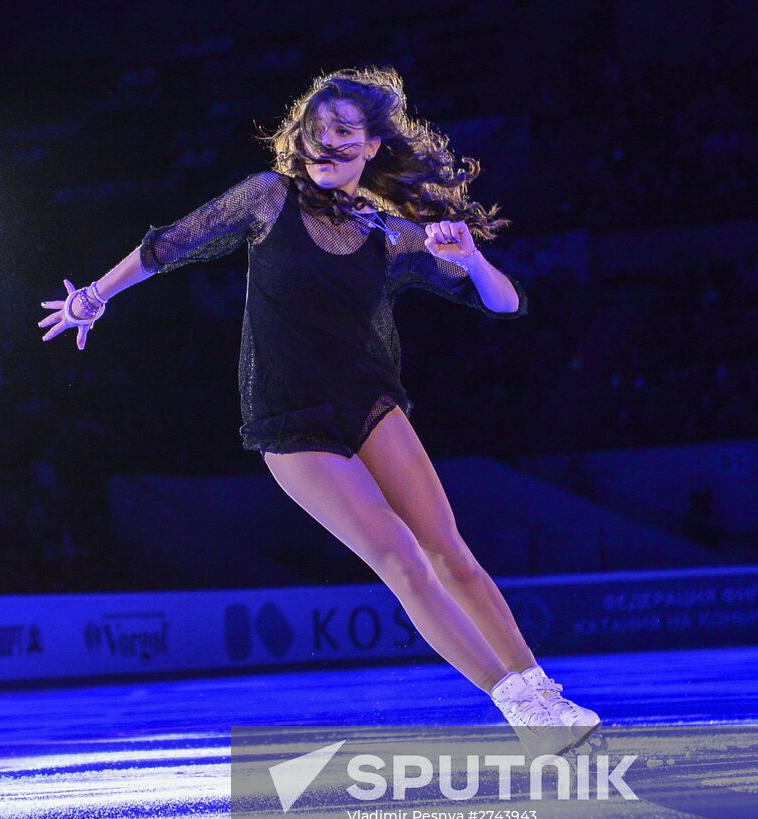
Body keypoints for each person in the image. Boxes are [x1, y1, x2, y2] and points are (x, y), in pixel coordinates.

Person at [37, 66, 599, 757]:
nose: (324, 141)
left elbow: (503, 301)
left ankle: (544, 693)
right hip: (290, 419)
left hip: (369, 403)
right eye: (315, 130)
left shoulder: (389, 231)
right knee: (401, 559)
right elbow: (169, 244)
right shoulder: (269, 198)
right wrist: (93, 296)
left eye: (342, 132)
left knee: (450, 553)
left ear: (369, 148)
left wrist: (472, 259)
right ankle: (517, 708)